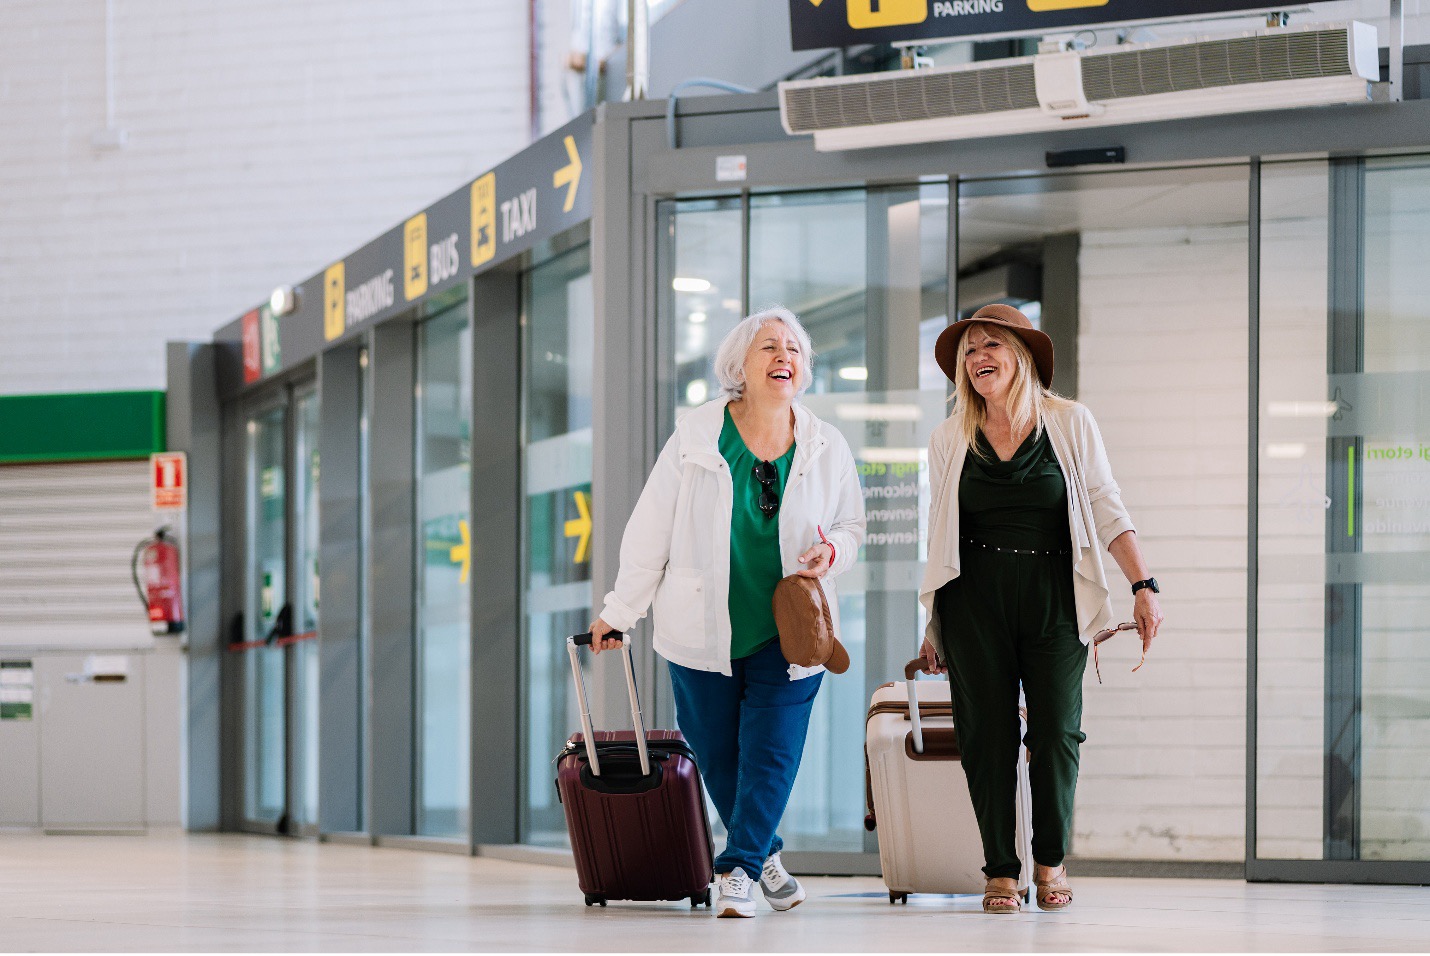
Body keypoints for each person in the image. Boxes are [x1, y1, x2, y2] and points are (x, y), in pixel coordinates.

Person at [588, 306, 866, 918]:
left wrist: (833, 550)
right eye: (769, 347)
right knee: (717, 754)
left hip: (792, 630)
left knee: (773, 750)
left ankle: (736, 868)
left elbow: (851, 524)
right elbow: (650, 528)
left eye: (793, 350)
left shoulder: (825, 443)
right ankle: (764, 854)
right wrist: (619, 610)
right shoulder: (696, 435)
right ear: (739, 365)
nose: (784, 358)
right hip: (700, 628)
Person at [917, 304, 1164, 914]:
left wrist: (1143, 582)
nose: (978, 359)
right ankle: (1001, 870)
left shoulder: (1070, 423)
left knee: (1056, 732)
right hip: (974, 599)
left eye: (990, 345)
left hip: (1055, 592)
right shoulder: (950, 436)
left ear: (1021, 356)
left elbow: (1106, 503)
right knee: (987, 736)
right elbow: (940, 534)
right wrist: (933, 623)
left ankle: (1049, 862)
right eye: (969, 350)